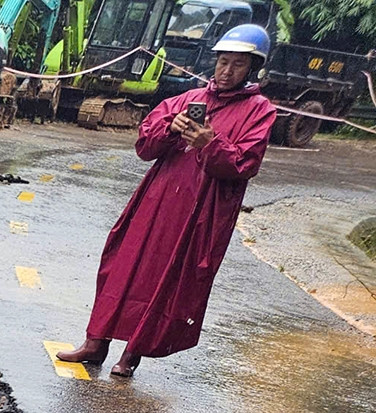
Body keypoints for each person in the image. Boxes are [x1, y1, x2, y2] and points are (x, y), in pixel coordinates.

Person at [57, 24, 278, 377]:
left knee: (168, 276)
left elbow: (245, 164)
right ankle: (95, 342)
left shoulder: (259, 110)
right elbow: (145, 147)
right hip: (157, 198)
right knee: (123, 262)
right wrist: (167, 130)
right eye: (223, 62)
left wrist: (210, 142)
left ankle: (132, 353)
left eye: (237, 65)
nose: (226, 71)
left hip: (201, 210)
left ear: (252, 69)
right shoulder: (185, 100)